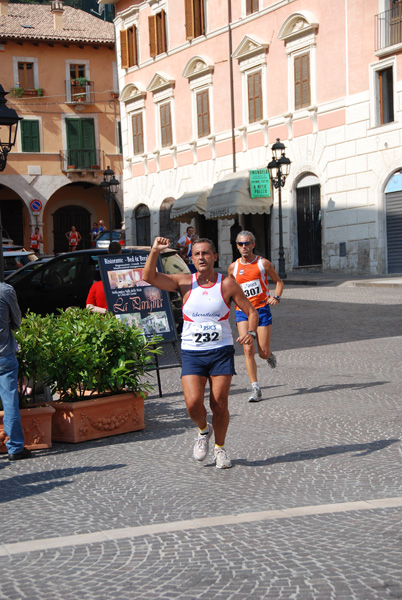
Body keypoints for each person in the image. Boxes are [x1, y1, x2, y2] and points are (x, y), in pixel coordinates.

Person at [143, 236, 258, 469]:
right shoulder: (185, 282)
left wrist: (252, 332)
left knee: (219, 403)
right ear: (191, 259)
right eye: (197, 254)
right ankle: (204, 431)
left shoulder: (226, 284)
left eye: (206, 253)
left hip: (220, 351)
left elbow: (251, 311)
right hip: (192, 352)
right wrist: (155, 250)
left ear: (215, 256)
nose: (201, 257)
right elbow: (149, 277)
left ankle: (220, 449)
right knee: (193, 403)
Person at [228, 230, 283, 403]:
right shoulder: (233, 267)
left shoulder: (263, 263)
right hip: (242, 311)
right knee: (247, 349)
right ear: (237, 246)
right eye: (240, 244)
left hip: (261, 310)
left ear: (253, 244)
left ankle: (269, 356)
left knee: (263, 352)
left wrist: (276, 296)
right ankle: (256, 388)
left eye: (247, 243)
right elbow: (229, 289)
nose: (244, 247)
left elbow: (279, 282)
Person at [0, 282, 32, 461]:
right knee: (10, 400)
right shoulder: (5, 290)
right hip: (3, 354)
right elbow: (17, 321)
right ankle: (15, 447)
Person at [86, 241, 122, 314]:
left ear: (108, 251)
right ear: (120, 252)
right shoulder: (124, 265)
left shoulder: (101, 266)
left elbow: (89, 306)